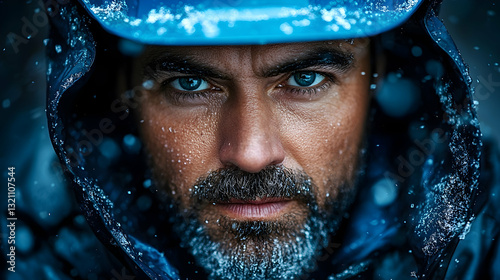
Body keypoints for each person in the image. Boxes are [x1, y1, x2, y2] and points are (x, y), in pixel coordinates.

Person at [39, 0, 499, 279]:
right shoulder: (30, 256)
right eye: (190, 85)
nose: (252, 153)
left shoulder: (487, 243)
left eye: (304, 78)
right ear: (124, 85)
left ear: (377, 70)